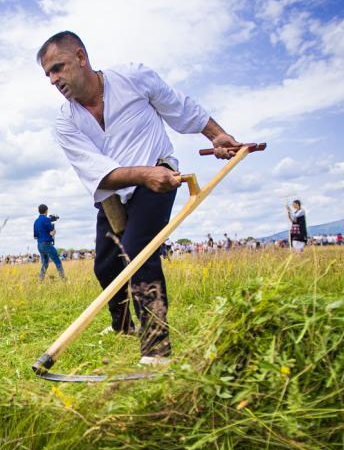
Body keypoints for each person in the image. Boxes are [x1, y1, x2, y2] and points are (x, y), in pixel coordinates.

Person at [38, 31, 241, 366]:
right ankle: (122, 327)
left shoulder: (133, 77)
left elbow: (182, 109)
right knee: (105, 265)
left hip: (158, 178)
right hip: (113, 193)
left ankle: (157, 351)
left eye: (57, 68)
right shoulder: (65, 122)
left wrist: (217, 135)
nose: (53, 79)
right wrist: (140, 174)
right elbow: (98, 172)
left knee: (139, 251)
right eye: (48, 74)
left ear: (80, 57)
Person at [33, 204, 66, 281]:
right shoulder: (46, 220)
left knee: (45, 263)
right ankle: (63, 279)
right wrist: (54, 231)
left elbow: (35, 237)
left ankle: (40, 279)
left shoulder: (36, 221)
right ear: (46, 210)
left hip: (39, 245)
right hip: (47, 244)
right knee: (57, 261)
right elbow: (52, 232)